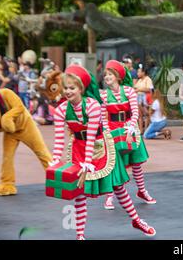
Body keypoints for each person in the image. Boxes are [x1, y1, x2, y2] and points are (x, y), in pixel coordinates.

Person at [50, 64, 156, 239]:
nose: (68, 91)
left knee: (118, 188)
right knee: (79, 193)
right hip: (77, 149)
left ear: (81, 88)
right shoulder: (61, 110)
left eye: (72, 88)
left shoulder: (92, 105)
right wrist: (55, 159)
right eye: (66, 88)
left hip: (100, 147)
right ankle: (80, 235)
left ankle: (137, 220)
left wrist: (88, 161)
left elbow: (92, 136)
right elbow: (59, 139)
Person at [101, 60, 156, 210]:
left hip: (128, 128)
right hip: (112, 130)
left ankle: (142, 191)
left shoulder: (129, 91)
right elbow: (102, 117)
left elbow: (135, 111)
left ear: (118, 76)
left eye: (110, 74)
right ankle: (109, 196)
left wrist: (131, 128)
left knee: (136, 163)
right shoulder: (104, 95)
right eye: (106, 75)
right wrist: (107, 133)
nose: (107, 77)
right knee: (113, 165)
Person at [135, 66, 154, 134]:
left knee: (146, 114)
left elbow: (149, 89)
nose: (137, 73)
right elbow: (135, 88)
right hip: (139, 98)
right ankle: (141, 130)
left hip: (145, 98)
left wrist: (139, 90)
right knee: (139, 115)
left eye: (139, 72)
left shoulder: (148, 79)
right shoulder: (139, 80)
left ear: (143, 72)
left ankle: (146, 130)